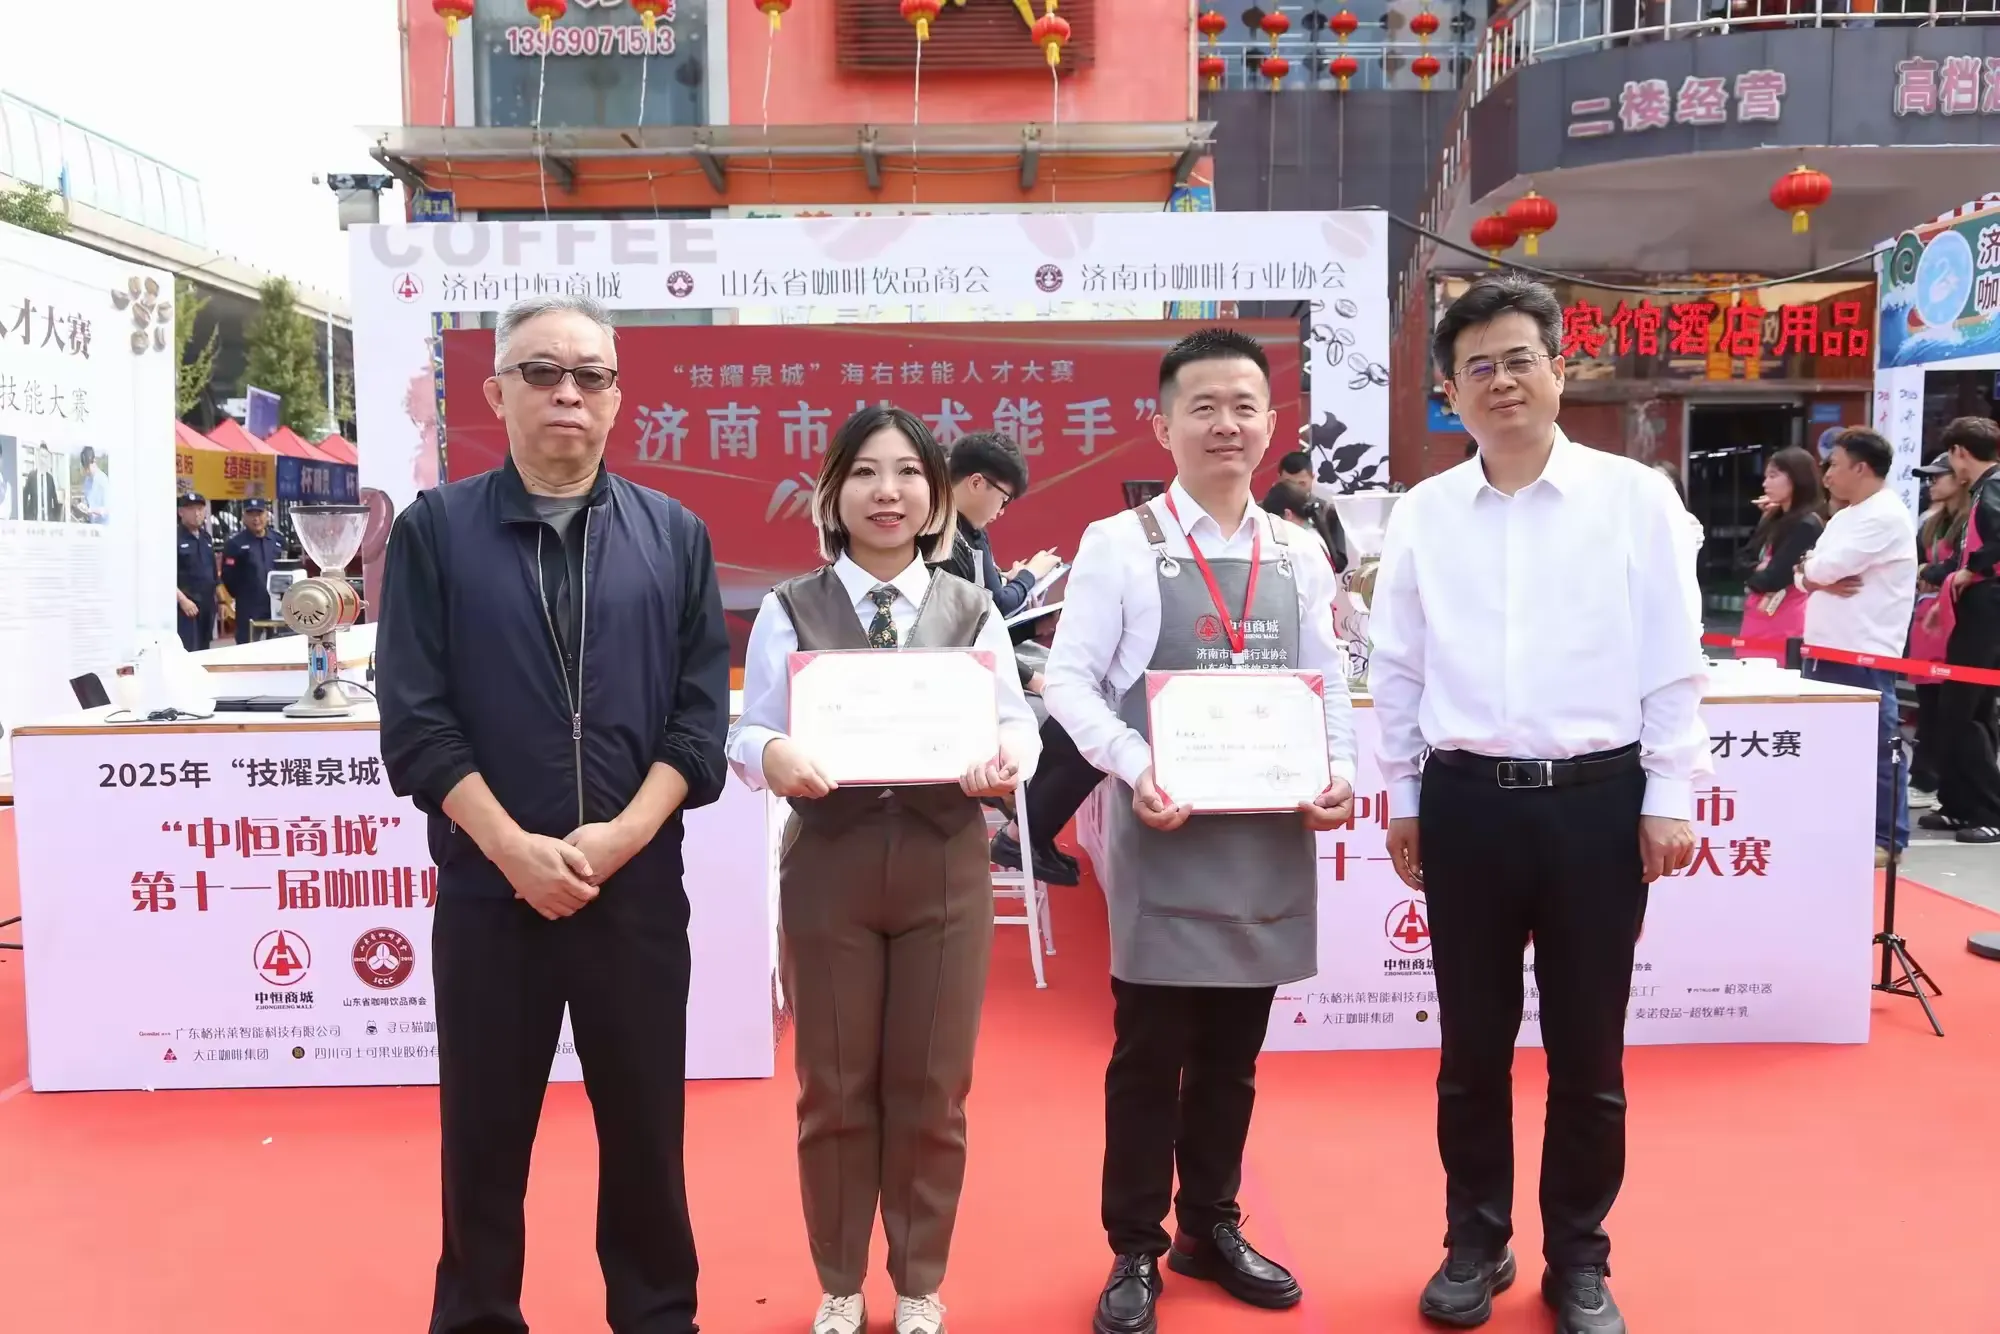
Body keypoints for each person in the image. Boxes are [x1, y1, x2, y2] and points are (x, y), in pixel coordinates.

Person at [376, 293, 730, 1334]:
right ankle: (477, 1315)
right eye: (540, 371)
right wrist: (511, 849)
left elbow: (698, 722)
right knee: (484, 1137)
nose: (567, 391)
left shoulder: (673, 535)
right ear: (496, 393)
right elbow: (417, 723)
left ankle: (657, 1315)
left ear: (617, 398)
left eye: (589, 374)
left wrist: (622, 837)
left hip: (635, 891)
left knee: (647, 1133)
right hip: (491, 891)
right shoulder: (437, 531)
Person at [1371, 276, 1704, 1334]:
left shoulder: (1634, 498)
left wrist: (1667, 793)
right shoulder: (1423, 513)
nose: (1501, 380)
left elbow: (1673, 657)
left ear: (1560, 370)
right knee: (1470, 1049)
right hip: (1465, 804)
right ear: (1449, 392)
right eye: (1477, 366)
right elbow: (1397, 667)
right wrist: (1404, 795)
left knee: (1587, 1054)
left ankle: (1578, 1258)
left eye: (1520, 359)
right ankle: (1474, 1242)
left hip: (1596, 806)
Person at [1044, 328, 1358, 1334]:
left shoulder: (1298, 551)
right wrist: (1137, 764)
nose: (1226, 424)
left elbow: (1326, 684)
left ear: (1270, 424)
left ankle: (1210, 1226)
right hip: (1165, 828)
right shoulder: (1118, 544)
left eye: (1243, 406)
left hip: (1265, 834)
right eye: (1203, 406)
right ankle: (1134, 1245)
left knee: (1232, 1053)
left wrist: (1340, 771)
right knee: (1149, 1053)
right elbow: (1067, 683)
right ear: (1162, 425)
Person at [727, 406, 1040, 1334]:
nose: (888, 492)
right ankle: (838, 1278)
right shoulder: (790, 608)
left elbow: (1015, 719)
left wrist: (1007, 757)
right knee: (832, 1085)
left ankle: (918, 1281)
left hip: (946, 862)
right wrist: (771, 753)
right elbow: (750, 727)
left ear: (936, 496)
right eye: (865, 472)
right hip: (831, 863)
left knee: (933, 1087)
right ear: (833, 493)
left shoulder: (971, 607)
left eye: (908, 472)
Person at [1795, 427, 1917, 863]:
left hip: (1863, 651)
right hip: (1826, 648)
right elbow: (1805, 571)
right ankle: (1844, 827)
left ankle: (1888, 838)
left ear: (1861, 468)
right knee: (1834, 750)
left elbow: (1823, 569)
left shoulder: (1885, 515)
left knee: (1878, 746)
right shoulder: (1847, 515)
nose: (1827, 474)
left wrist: (1815, 574)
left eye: (1834, 465)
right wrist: (1813, 573)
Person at [1930, 415, 2000, 844]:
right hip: (1977, 607)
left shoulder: (1993, 487)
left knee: (1968, 710)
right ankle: (1959, 804)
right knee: (1963, 709)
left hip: (1987, 608)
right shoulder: (1983, 489)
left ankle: (1987, 810)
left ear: (1959, 452)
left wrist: (1971, 571)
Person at [939, 430, 1059, 619]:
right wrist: (1030, 574)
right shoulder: (939, 536)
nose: (1001, 511)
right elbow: (993, 607)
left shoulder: (974, 531)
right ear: (976, 483)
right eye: (1004, 500)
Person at [1909, 457, 1972, 798]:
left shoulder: (1971, 521)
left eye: (1938, 477)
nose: (1931, 484)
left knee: (1953, 705)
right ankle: (1925, 778)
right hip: (1925, 616)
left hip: (1954, 616)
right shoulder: (1930, 524)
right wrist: (1927, 573)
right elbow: (1917, 566)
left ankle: (1942, 780)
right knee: (1928, 703)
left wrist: (1929, 573)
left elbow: (1951, 567)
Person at [1734, 446, 1825, 660]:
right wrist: (1757, 568)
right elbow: (1739, 563)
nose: (1765, 483)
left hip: (1785, 621)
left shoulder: (1807, 524)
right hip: (1758, 616)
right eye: (1766, 477)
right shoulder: (1774, 518)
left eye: (1773, 476)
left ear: (1797, 478)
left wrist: (1757, 573)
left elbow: (1773, 578)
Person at [220, 499, 284, 643]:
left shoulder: (277, 540)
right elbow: (228, 576)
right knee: (247, 646)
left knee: (278, 645)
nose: (256, 519)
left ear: (267, 515)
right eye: (251, 514)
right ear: (244, 517)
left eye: (259, 514)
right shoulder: (235, 544)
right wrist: (243, 594)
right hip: (249, 606)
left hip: (276, 603)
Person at [174, 492, 217, 652]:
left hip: (207, 606)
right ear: (181, 512)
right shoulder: (174, 538)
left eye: (200, 509)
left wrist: (221, 601)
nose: (197, 513)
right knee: (189, 650)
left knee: (204, 650)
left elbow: (213, 573)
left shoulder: (206, 538)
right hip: (186, 606)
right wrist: (182, 600)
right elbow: (165, 576)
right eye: (191, 509)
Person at [23, 443, 61, 522]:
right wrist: (26, 517)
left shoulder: (50, 479)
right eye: (41, 456)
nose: (43, 460)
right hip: (34, 521)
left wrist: (55, 519)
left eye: (45, 457)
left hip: (48, 521)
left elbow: (55, 501)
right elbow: (24, 497)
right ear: (37, 457)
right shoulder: (31, 476)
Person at [79, 445, 108, 524]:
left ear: (94, 461)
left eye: (88, 466)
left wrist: (91, 510)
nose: (87, 470)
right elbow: (87, 502)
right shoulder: (87, 481)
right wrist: (84, 507)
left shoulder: (103, 480)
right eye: (85, 467)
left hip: (103, 525)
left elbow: (107, 509)